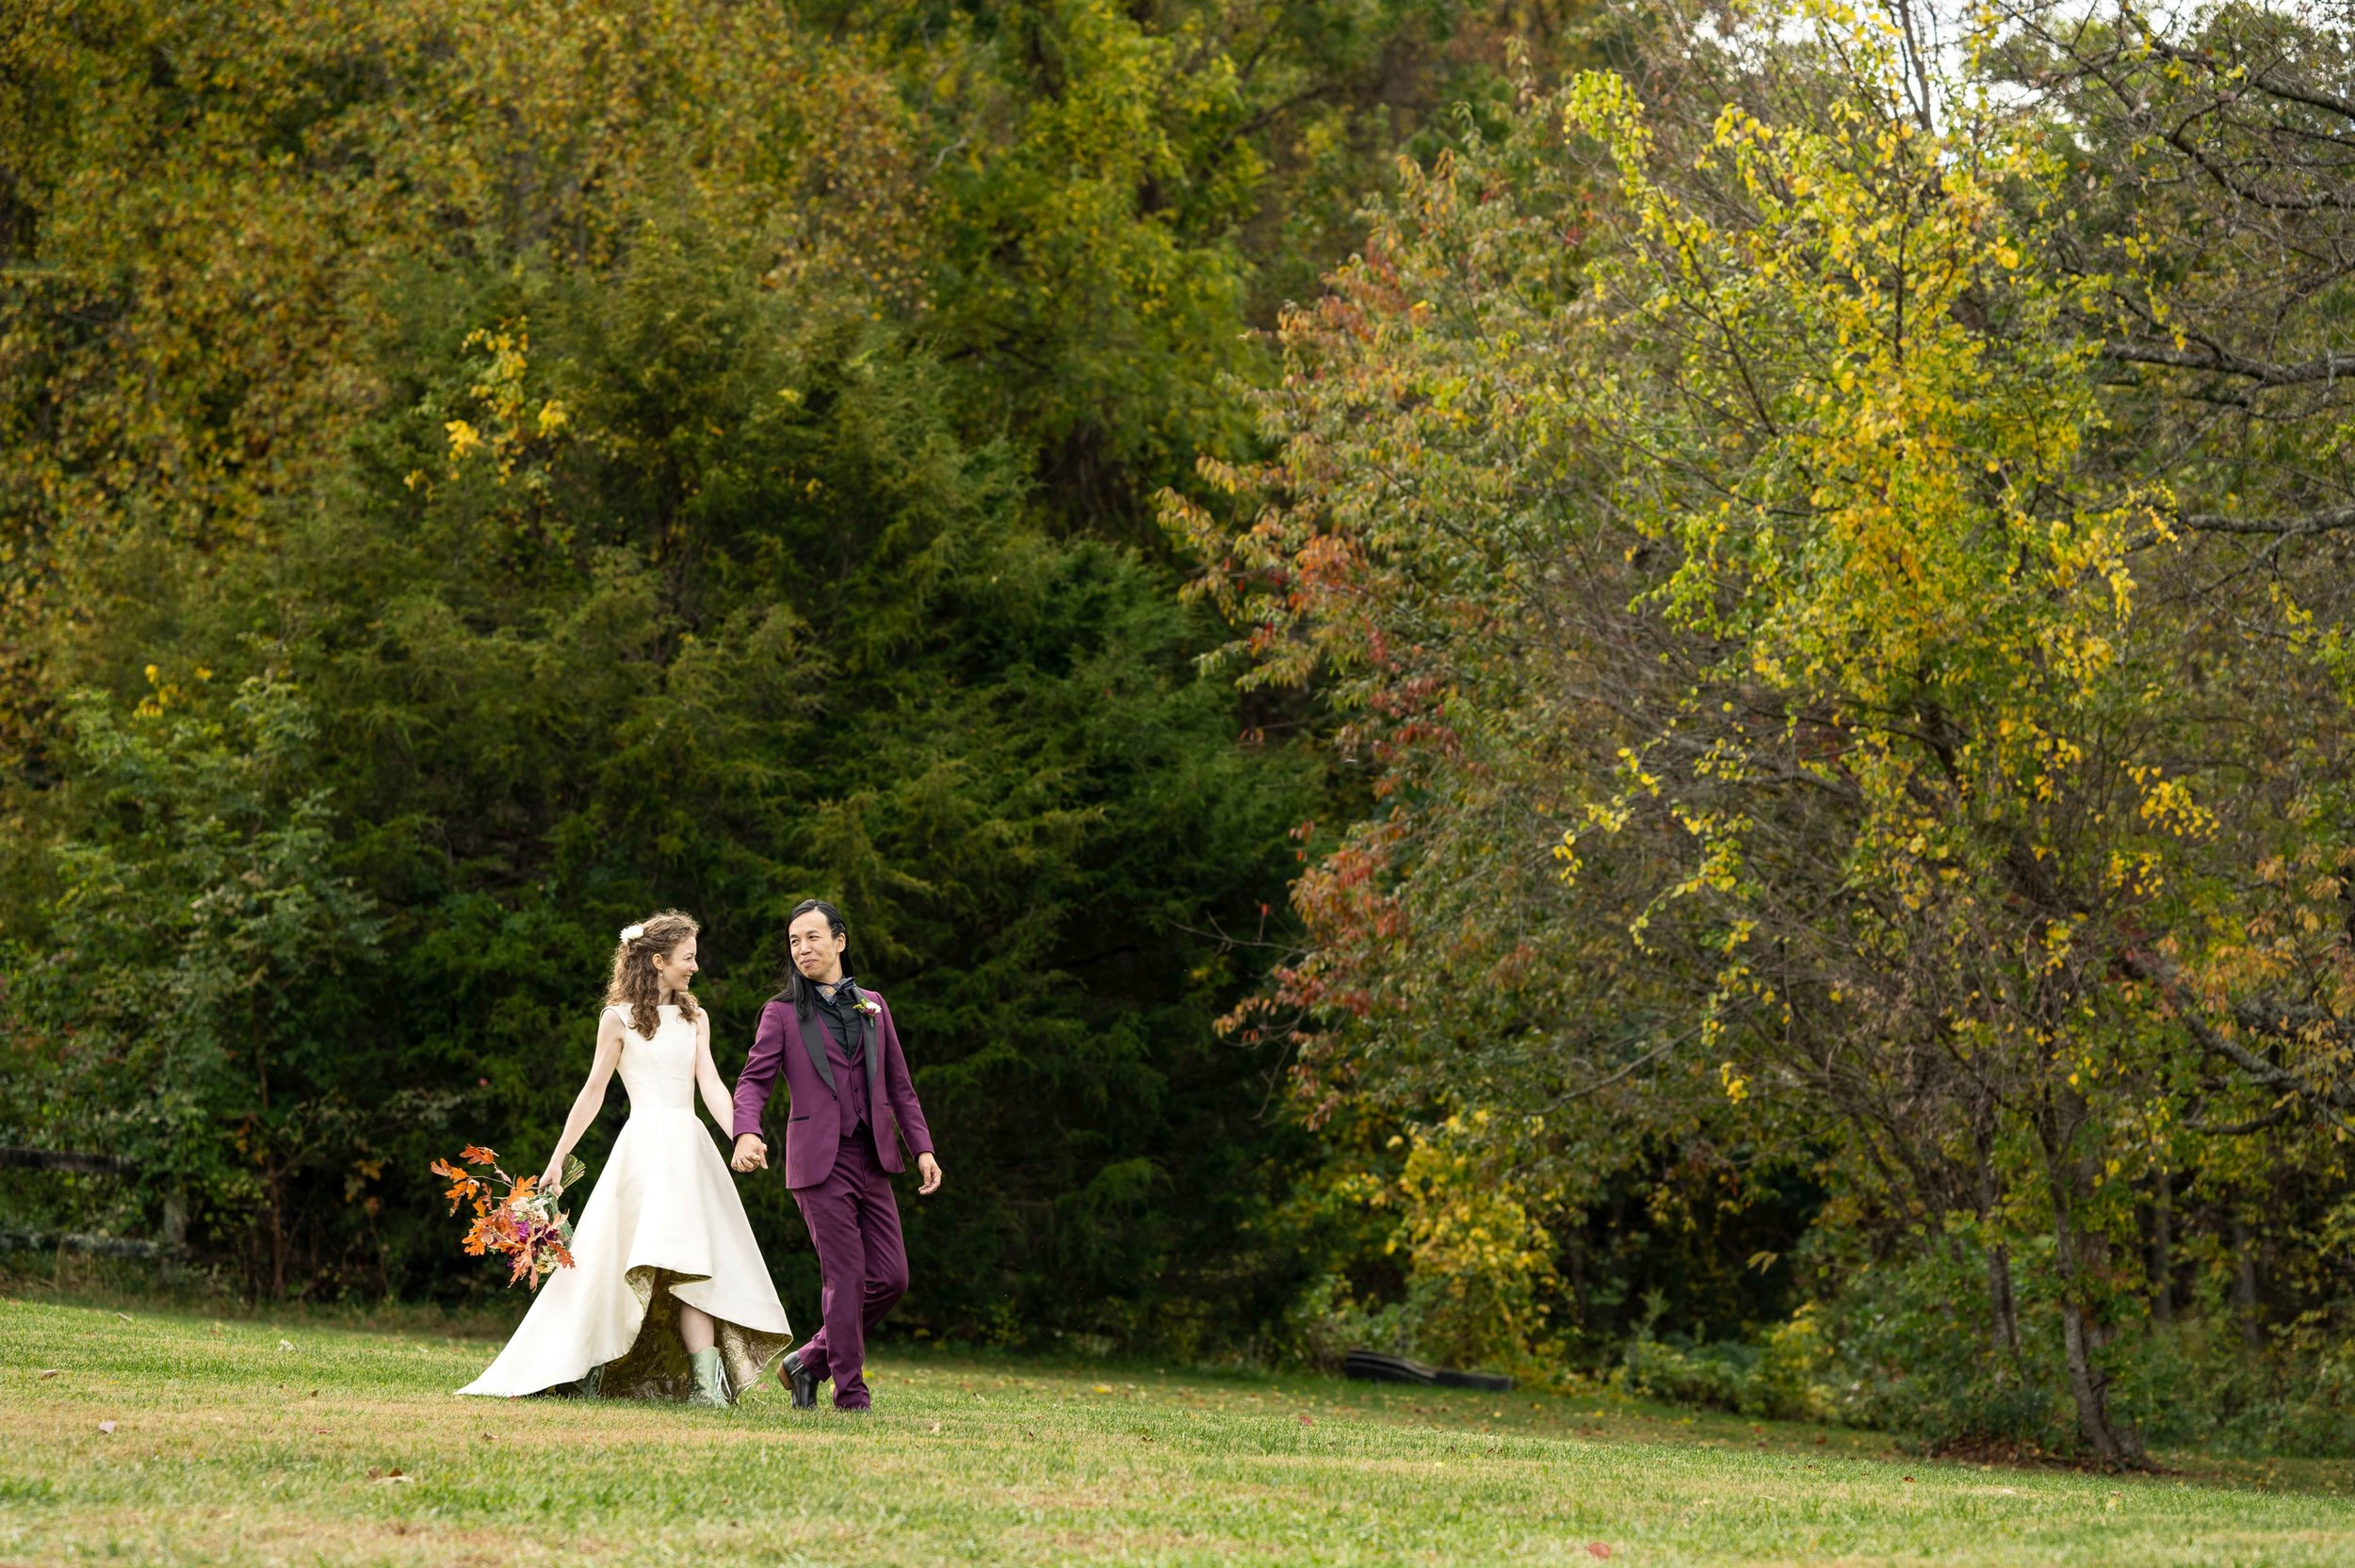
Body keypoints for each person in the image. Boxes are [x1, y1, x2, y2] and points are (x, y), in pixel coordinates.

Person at [460, 911, 792, 1406]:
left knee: (692, 1262)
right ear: (658, 961)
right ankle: (589, 1368)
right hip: (642, 1153)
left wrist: (742, 1134)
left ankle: (706, 1387)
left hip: (688, 1150)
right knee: (614, 1262)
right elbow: (592, 1092)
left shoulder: (696, 1018)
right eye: (688, 958)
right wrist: (558, 1160)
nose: (695, 968)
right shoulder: (617, 1019)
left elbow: (712, 1085)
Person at [729, 898, 942, 1411]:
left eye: (812, 937)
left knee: (891, 1277)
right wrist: (746, 1133)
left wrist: (923, 1148)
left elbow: (900, 1086)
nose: (802, 948)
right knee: (845, 1278)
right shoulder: (780, 1014)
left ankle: (808, 1360)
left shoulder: (874, 1006)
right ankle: (851, 1396)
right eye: (794, 941)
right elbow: (753, 1082)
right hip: (818, 1163)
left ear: (840, 941)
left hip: (873, 1158)